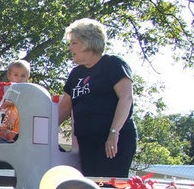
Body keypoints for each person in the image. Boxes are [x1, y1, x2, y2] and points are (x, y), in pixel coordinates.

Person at [58, 18, 136, 177]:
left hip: (112, 139)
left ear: (88, 42)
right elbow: (64, 108)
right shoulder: (75, 74)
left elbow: (126, 98)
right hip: (86, 141)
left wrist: (114, 133)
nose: (69, 48)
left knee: (109, 188)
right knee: (91, 188)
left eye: (74, 43)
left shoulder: (113, 64)